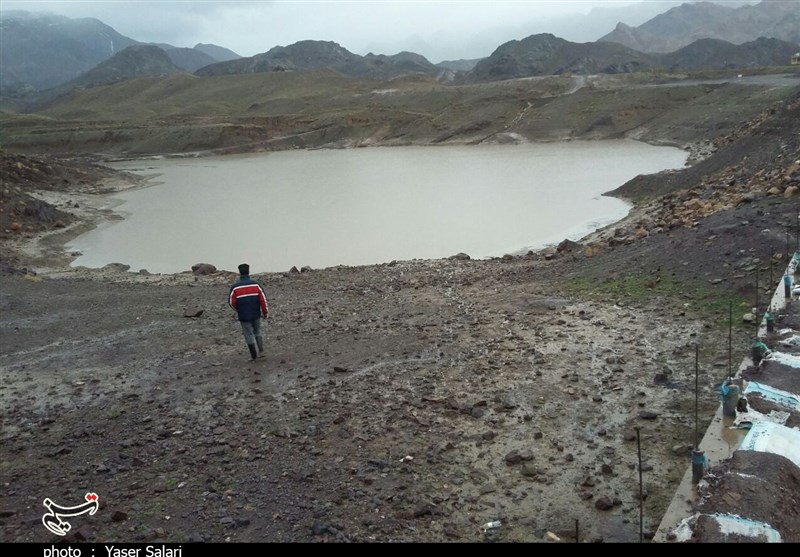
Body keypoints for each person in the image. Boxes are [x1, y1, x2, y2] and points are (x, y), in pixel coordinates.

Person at [228, 263, 269, 361]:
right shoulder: (255, 284)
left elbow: (231, 302)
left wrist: (239, 310)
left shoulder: (235, 287)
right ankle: (261, 351)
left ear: (239, 272)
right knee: (257, 331)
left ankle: (253, 355)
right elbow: (263, 299)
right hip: (256, 313)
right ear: (248, 271)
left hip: (244, 314)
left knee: (248, 334)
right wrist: (265, 312)